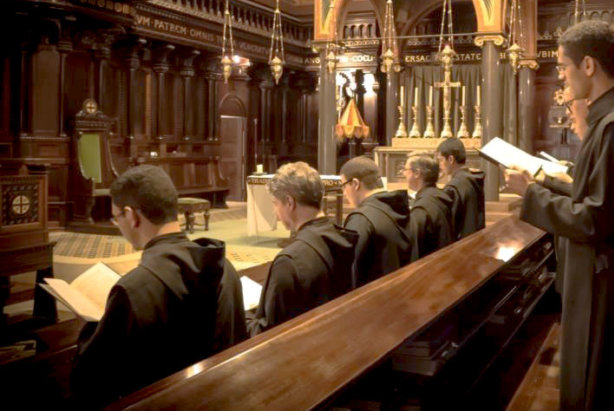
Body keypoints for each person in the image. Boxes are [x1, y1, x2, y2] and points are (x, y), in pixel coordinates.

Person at [505, 20, 614, 409]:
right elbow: (597, 191)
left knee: (597, 386)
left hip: (606, 283)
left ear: (588, 65)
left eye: (563, 66)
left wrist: (531, 195)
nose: (561, 77)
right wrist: (545, 184)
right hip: (611, 274)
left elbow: (595, 219)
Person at [72, 165, 246, 407]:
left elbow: (89, 380)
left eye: (117, 217)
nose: (117, 225)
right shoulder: (225, 267)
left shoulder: (133, 289)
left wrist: (92, 325)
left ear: (132, 216)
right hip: (224, 400)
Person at [246, 162, 356, 336]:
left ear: (289, 202)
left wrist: (242, 317)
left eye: (275, 204)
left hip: (299, 349)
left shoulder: (289, 261)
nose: (275, 212)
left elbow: (268, 333)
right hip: (332, 336)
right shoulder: (341, 236)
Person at [341, 156, 410, 286]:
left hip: (375, 297)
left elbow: (351, 272)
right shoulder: (397, 206)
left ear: (355, 184)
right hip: (401, 289)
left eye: (344, 186)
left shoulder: (361, 218)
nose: (344, 193)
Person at [403, 153, 454, 260]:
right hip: (445, 259)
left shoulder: (421, 209)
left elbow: (415, 251)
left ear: (417, 173)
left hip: (431, 267)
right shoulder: (439, 195)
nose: (404, 174)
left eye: (405, 170)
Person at [436, 137, 485, 239]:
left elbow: (449, 226)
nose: (439, 165)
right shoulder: (471, 178)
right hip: (475, 239)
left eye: (440, 160)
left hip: (462, 245)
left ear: (450, 159)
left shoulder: (454, 187)